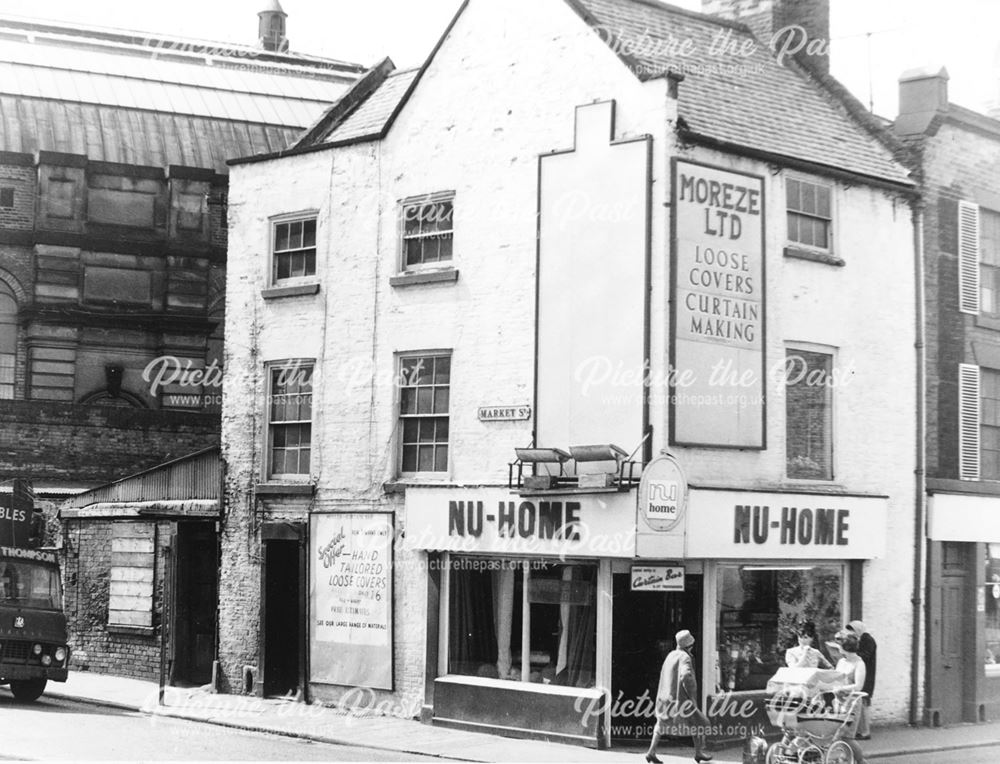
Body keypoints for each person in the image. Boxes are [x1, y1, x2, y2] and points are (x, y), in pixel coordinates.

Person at [646, 629, 713, 764]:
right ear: (688, 646)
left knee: (660, 723)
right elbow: (686, 676)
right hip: (680, 699)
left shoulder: (671, 655)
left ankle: (651, 752)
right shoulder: (685, 657)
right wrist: (692, 695)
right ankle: (699, 752)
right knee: (698, 722)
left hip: (665, 697)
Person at [834, 634, 867, 740]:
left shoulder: (859, 664)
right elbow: (835, 678)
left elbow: (858, 686)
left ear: (845, 648)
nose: (838, 648)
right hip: (839, 701)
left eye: (839, 646)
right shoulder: (841, 661)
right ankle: (843, 756)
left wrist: (842, 688)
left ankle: (859, 757)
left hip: (851, 702)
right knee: (837, 735)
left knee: (847, 737)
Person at [847, 620, 876, 740]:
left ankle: (865, 732)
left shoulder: (867, 639)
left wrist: (854, 653)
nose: (851, 633)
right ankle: (862, 730)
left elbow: (866, 655)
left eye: (853, 630)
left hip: (866, 674)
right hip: (863, 673)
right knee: (861, 702)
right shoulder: (862, 639)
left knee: (863, 702)